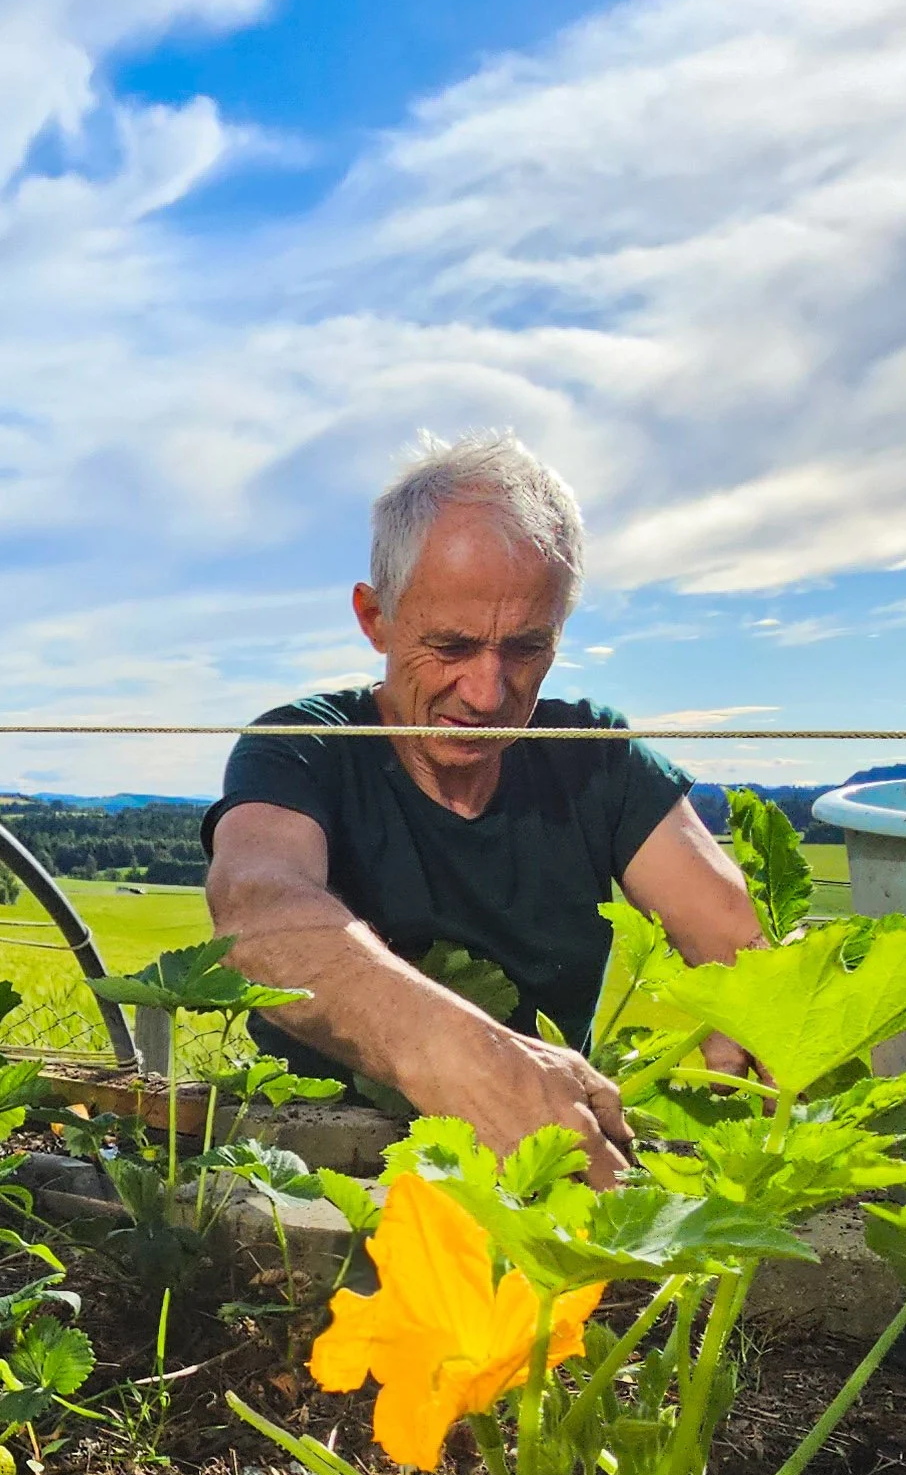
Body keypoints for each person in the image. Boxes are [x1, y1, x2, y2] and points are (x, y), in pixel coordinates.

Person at [202, 431, 761, 1183]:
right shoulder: (305, 747)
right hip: (313, 1173)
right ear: (375, 617)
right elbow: (257, 910)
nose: (487, 694)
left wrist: (754, 1011)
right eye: (452, 646)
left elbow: (738, 943)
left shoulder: (595, 760)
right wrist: (468, 1062)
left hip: (544, 1174)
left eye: (526, 648)